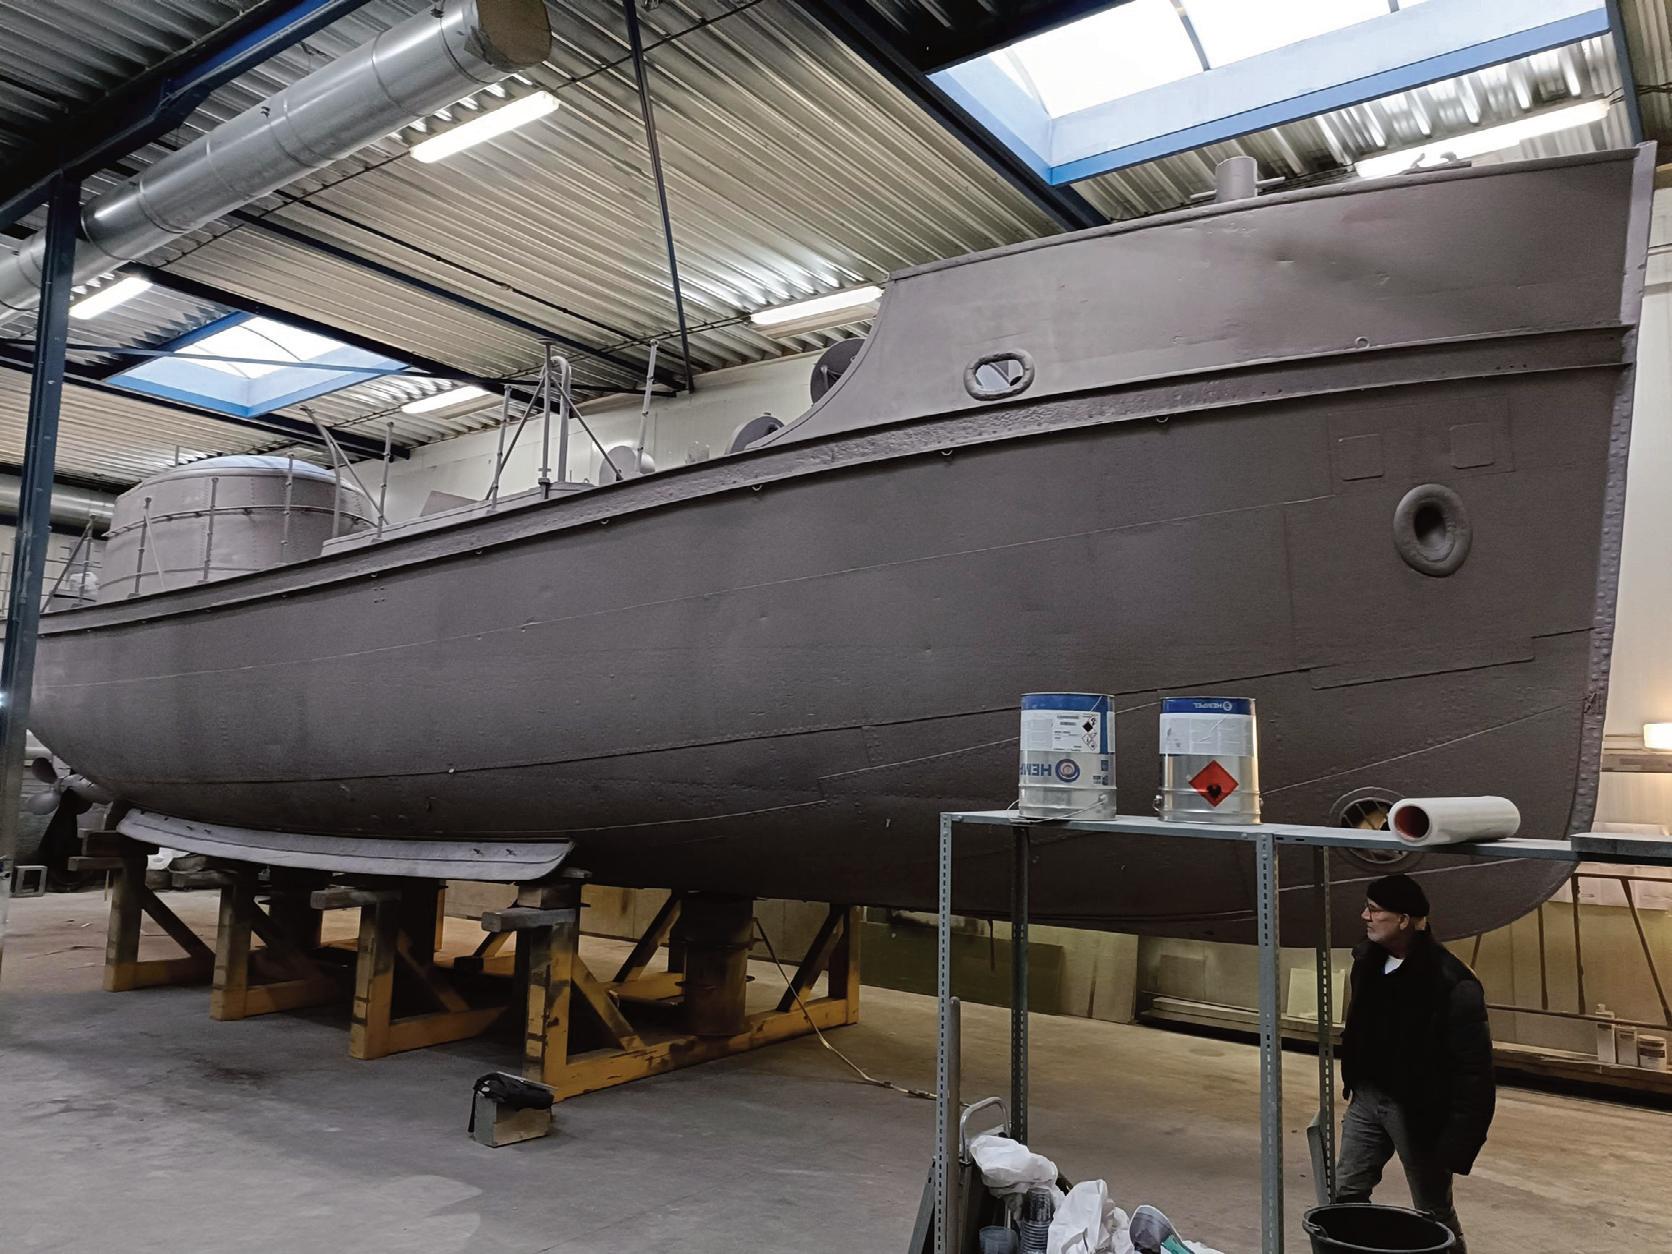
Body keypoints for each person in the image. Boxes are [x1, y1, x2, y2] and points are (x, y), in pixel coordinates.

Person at [1335, 873, 1495, 1253]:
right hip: (1368, 1097)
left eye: (1375, 910)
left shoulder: (1452, 983)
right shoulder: (1367, 961)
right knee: (1346, 1192)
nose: (1365, 916)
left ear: (1404, 919)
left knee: (1433, 1211)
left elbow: (1474, 1072)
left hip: (1418, 1111)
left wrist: (1457, 1143)